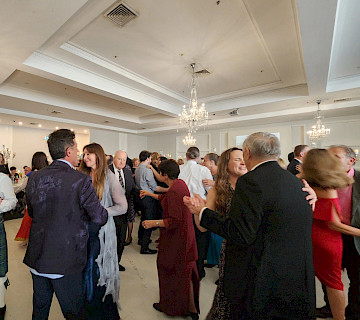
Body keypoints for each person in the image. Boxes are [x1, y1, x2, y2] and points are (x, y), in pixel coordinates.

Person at [184, 132, 316, 320]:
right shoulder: (294, 181)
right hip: (292, 271)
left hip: (259, 270)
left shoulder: (251, 181)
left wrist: (202, 212)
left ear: (247, 152)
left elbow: (241, 233)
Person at [24, 129, 108, 319]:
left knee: (39, 309)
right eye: (77, 148)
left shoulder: (34, 177)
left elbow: (32, 211)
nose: (79, 152)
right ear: (69, 151)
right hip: (66, 259)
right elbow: (99, 217)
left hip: (38, 256)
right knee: (73, 312)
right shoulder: (81, 179)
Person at [301, 148, 360, 320]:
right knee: (335, 284)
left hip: (312, 238)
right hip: (329, 239)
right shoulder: (327, 187)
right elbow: (334, 224)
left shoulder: (303, 183)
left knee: (327, 282)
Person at [140, 159, 200, 320]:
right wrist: (150, 193)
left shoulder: (174, 190)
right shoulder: (180, 184)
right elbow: (165, 199)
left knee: (169, 270)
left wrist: (153, 222)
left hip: (176, 239)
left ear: (164, 175)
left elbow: (174, 220)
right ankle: (190, 309)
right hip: (185, 235)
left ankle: (172, 306)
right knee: (182, 273)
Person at [197, 148, 247, 320]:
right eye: (238, 159)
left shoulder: (253, 187)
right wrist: (199, 210)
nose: (243, 162)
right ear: (226, 164)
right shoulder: (217, 191)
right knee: (228, 298)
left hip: (254, 250)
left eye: (245, 158)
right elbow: (203, 228)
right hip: (232, 251)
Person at [79, 143, 127, 319]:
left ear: (98, 155)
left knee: (97, 271)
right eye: (84, 154)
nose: (85, 157)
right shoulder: (81, 175)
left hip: (101, 233)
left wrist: (101, 212)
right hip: (82, 231)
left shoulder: (110, 177)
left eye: (89, 154)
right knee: (84, 270)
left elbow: (122, 206)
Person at [328, 145, 360, 320]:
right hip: (330, 236)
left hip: (355, 236)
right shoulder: (323, 181)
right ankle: (330, 308)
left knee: (357, 280)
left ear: (351, 161)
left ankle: (353, 314)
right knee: (331, 280)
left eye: (335, 157)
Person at [179, 146, 213, 280]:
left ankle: (185, 268)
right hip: (198, 208)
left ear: (186, 156)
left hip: (183, 207)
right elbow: (210, 191)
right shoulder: (204, 169)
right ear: (198, 157)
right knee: (200, 240)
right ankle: (198, 270)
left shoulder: (180, 169)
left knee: (184, 238)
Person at [135, 150, 168, 254]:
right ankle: (144, 247)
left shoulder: (138, 168)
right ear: (148, 158)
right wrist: (168, 190)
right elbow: (155, 187)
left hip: (140, 196)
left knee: (143, 219)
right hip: (148, 197)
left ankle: (141, 240)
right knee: (149, 221)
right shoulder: (147, 169)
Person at [109, 150, 136, 270]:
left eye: (124, 160)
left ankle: (116, 263)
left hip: (124, 211)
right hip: (110, 211)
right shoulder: (106, 171)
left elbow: (131, 189)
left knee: (121, 239)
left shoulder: (127, 171)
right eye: (119, 159)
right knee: (110, 240)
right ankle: (108, 265)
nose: (122, 162)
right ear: (114, 158)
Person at [15, 152, 49, 244]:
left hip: (33, 202)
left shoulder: (31, 175)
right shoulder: (49, 173)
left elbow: (23, 187)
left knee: (29, 221)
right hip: (46, 203)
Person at [0, 172, 17, 319]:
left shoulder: (2, 178)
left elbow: (12, 201)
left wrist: (0, 204)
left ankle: (0, 305)